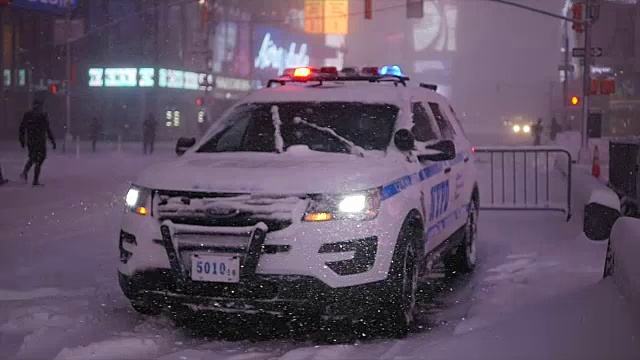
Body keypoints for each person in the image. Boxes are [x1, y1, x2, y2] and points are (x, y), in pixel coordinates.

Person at [19, 99, 56, 186]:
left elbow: (22, 128)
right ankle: (35, 180)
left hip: (31, 141)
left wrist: (22, 140)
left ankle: (25, 172)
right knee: (39, 160)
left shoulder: (28, 115)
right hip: (40, 141)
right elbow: (48, 129)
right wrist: (52, 141)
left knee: (32, 158)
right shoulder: (42, 116)